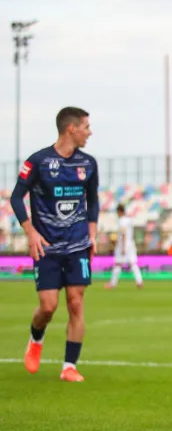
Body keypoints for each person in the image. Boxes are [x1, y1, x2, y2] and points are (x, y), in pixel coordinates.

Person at [11, 107, 99, 382]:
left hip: (77, 244)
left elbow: (93, 201)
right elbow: (16, 198)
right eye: (86, 126)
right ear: (71, 129)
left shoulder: (88, 163)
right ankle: (36, 338)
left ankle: (69, 367)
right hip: (46, 245)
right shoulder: (38, 161)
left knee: (76, 302)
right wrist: (30, 233)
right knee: (48, 307)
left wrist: (92, 234)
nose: (89, 132)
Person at [106, 204, 143, 289]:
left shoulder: (122, 221)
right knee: (133, 263)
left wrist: (123, 247)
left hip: (123, 244)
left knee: (118, 263)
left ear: (119, 211)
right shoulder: (129, 220)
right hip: (131, 244)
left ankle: (112, 283)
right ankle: (139, 281)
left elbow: (123, 233)